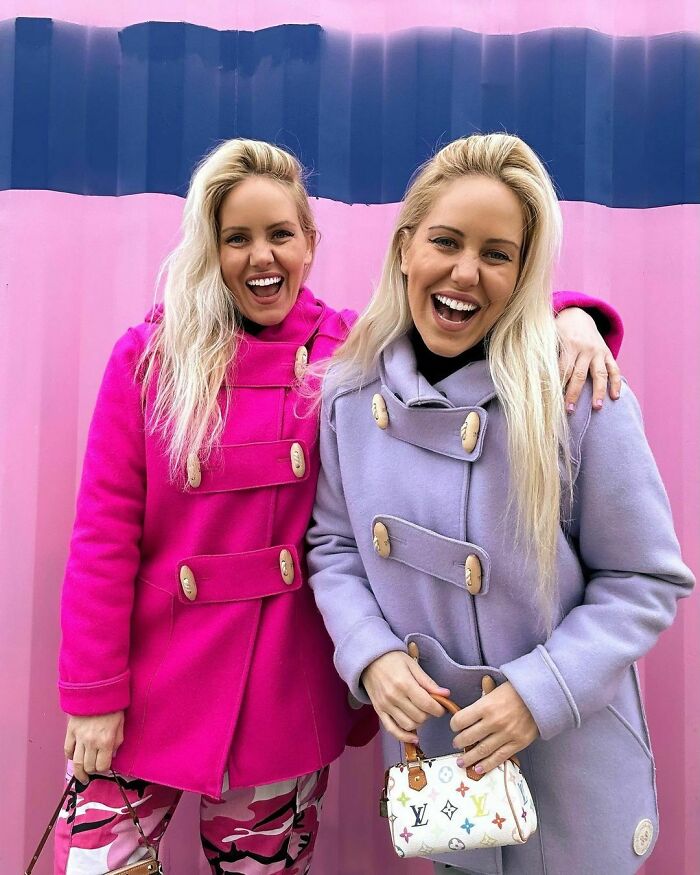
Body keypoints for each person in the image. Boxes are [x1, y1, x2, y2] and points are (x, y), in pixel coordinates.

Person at [56, 137, 619, 874]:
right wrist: (94, 693)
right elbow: (103, 538)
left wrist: (568, 316)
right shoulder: (148, 360)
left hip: (278, 704)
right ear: (210, 248)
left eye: (280, 234)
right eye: (238, 238)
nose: (262, 257)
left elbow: (457, 317)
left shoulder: (347, 352)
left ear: (310, 242)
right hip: (151, 692)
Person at [306, 133, 694, 875]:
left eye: (496, 253)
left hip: (570, 774)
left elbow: (645, 579)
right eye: (445, 242)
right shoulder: (349, 399)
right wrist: (371, 654)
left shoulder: (578, 397)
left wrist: (537, 693)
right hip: (451, 783)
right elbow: (334, 545)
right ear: (404, 250)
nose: (464, 273)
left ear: (524, 275)